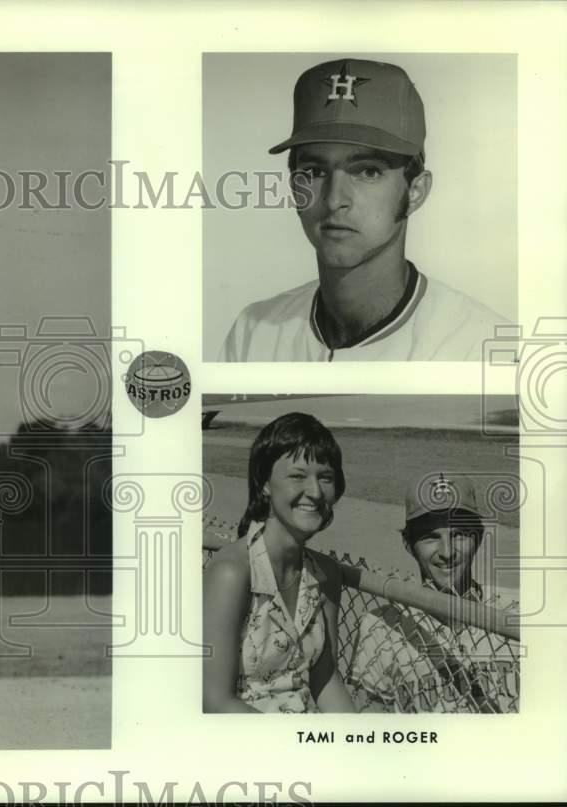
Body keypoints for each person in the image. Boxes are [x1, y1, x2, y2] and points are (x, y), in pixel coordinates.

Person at [219, 58, 508, 362]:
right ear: (294, 188)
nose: (334, 200)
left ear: (415, 191)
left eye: (367, 171)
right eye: (315, 171)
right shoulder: (254, 332)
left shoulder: (480, 346)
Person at [203, 413, 355, 713]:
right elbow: (213, 700)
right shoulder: (233, 572)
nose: (314, 491)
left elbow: (325, 680)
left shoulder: (326, 575)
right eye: (298, 476)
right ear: (265, 484)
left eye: (325, 477)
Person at [348, 472, 520, 712]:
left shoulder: (517, 609)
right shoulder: (380, 628)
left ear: (478, 539)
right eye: (431, 537)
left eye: (459, 534)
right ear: (409, 545)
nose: (447, 552)